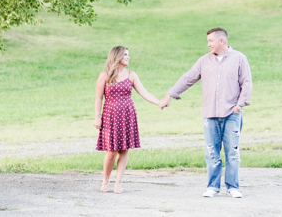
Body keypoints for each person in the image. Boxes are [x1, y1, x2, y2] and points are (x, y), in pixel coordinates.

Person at [158, 27, 252, 198]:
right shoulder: (204, 61)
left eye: (210, 41)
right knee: (211, 152)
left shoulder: (239, 59)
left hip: (232, 112)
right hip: (209, 113)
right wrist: (169, 95)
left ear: (221, 41)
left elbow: (246, 82)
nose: (208, 44)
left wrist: (239, 105)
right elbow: (188, 78)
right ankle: (213, 187)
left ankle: (233, 187)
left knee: (232, 151)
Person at [94, 46, 162, 193]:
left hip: (127, 115)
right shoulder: (104, 75)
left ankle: (118, 182)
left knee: (124, 150)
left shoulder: (131, 75)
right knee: (111, 151)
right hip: (110, 115)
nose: (128, 57)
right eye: (125, 54)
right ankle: (105, 180)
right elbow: (99, 98)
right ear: (117, 56)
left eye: (128, 54)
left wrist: (159, 102)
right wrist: (97, 116)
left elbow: (144, 92)